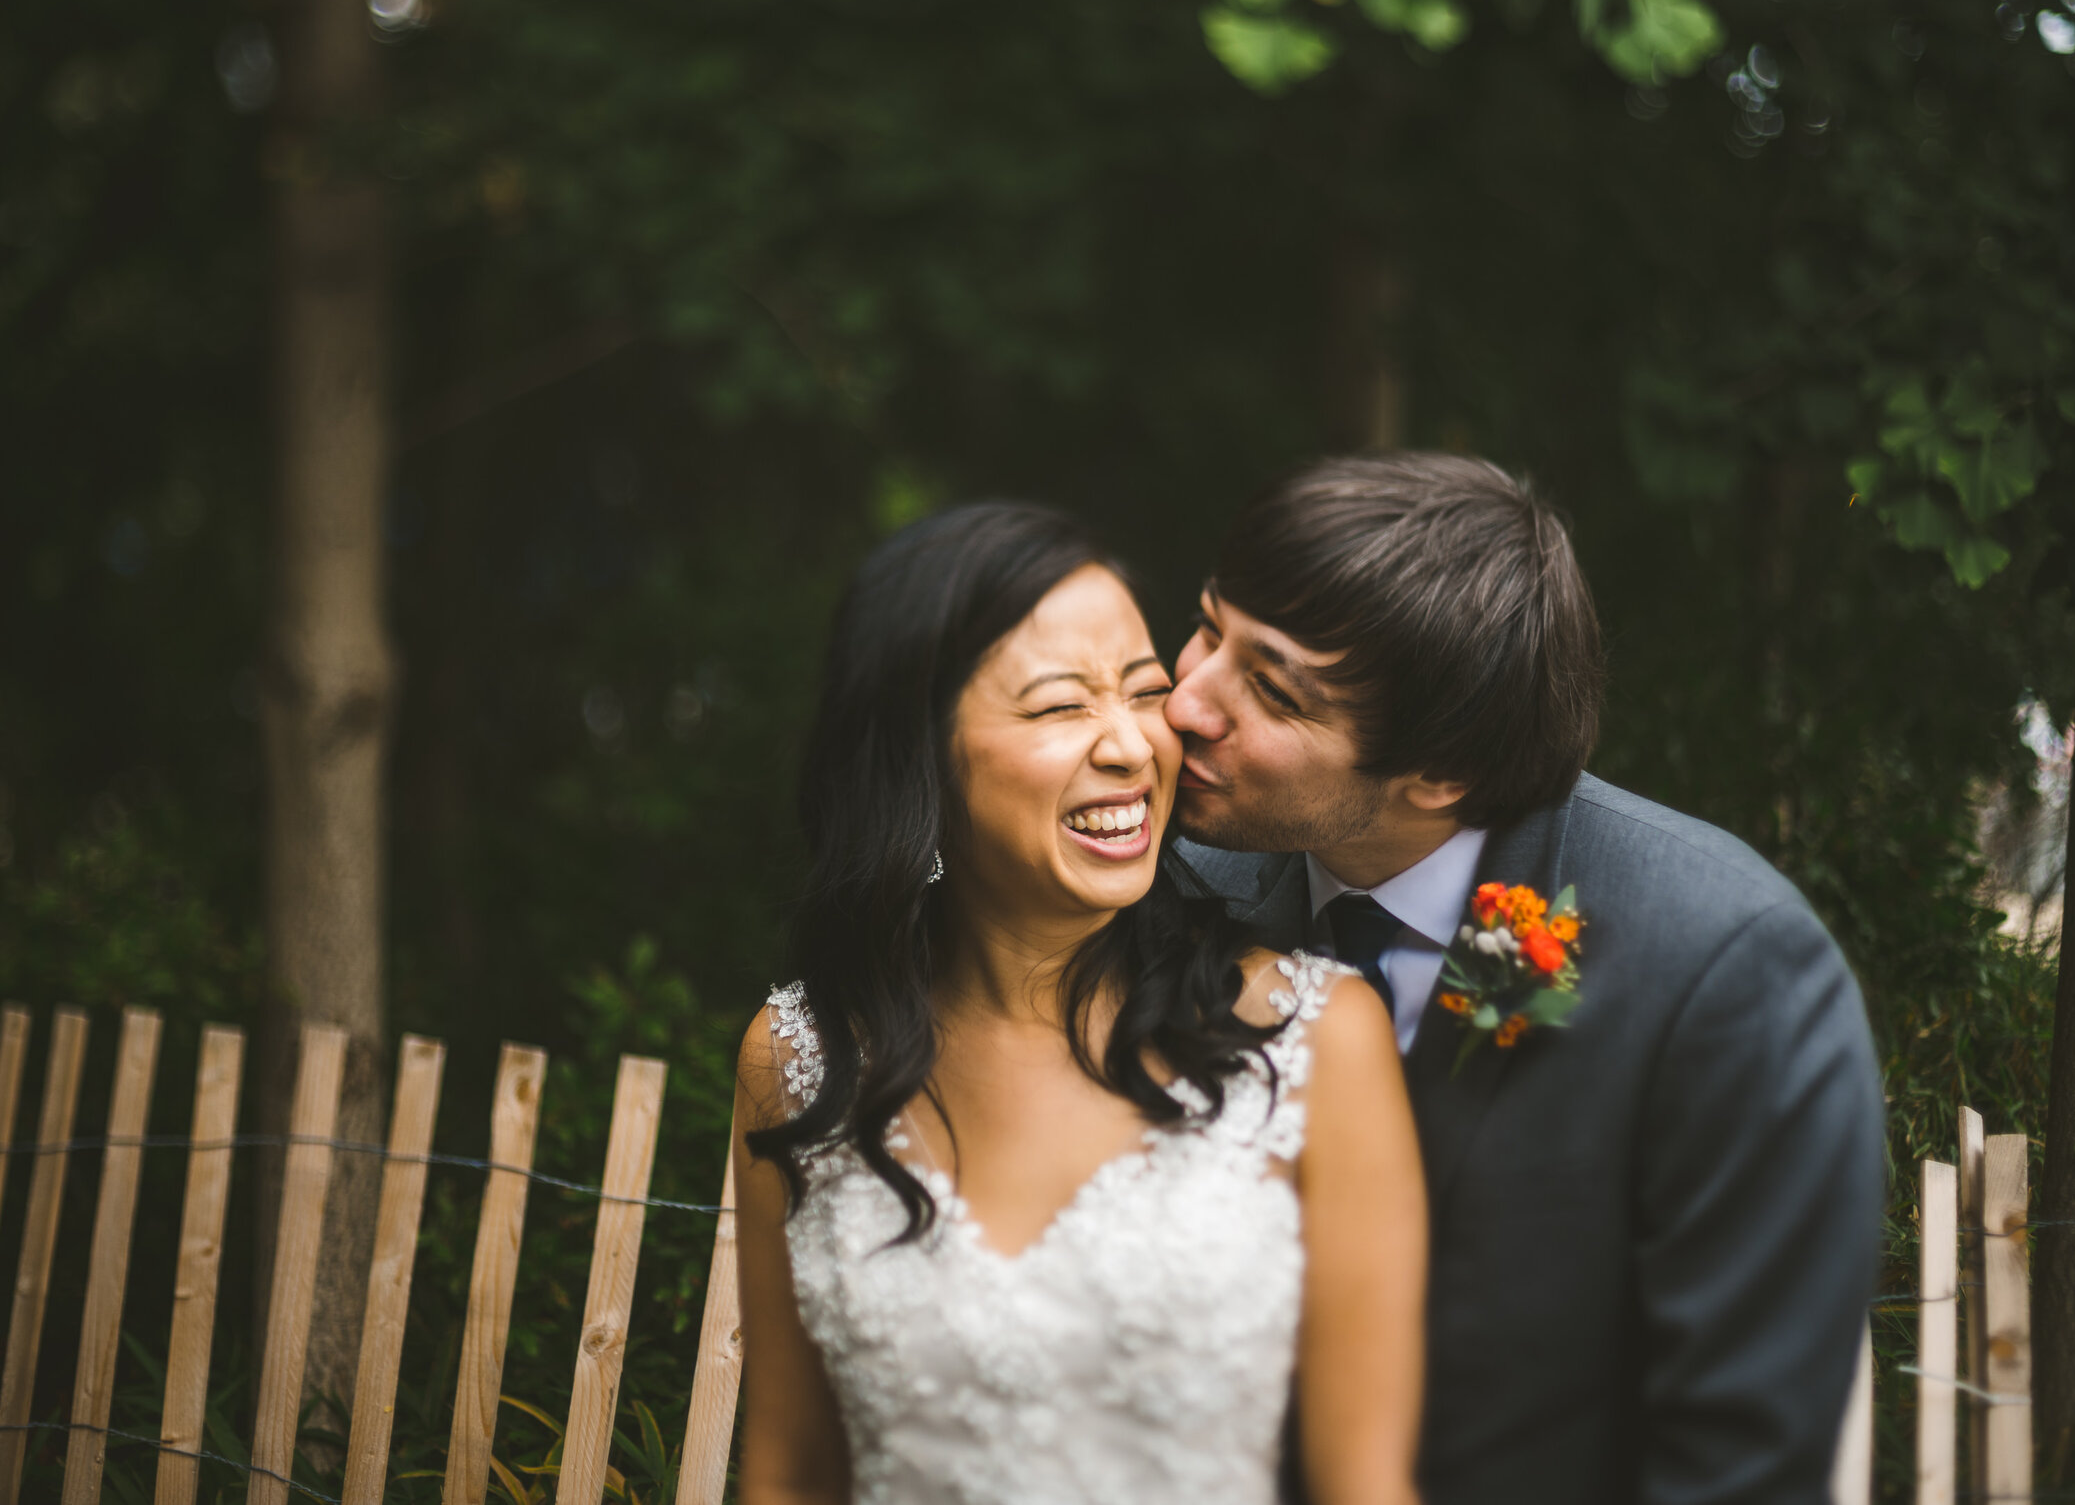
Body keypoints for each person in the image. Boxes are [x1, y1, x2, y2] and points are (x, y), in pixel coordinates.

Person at [1166, 453, 1885, 1505]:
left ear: (1442, 772)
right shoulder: (1176, 892)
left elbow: (1741, 1467)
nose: (1186, 701)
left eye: (1271, 690)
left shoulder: (1725, 973)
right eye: (1204, 628)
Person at [731, 502, 1429, 1505]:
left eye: (1145, 692)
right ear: (919, 753)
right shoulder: (795, 1058)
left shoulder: (1315, 1035)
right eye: (1061, 706)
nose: (1131, 745)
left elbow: (1365, 1487)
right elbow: (789, 1474)